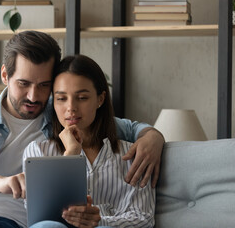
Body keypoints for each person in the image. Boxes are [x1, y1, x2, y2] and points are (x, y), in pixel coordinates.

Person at [0, 31, 163, 228]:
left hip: (10, 222)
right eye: (23, 83)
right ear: (5, 75)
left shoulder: (62, 112)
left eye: (44, 85)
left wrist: (153, 136)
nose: (34, 96)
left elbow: (124, 127)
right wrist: (2, 183)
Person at [23, 54, 156, 228]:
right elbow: (40, 218)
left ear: (100, 99)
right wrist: (71, 153)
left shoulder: (132, 155)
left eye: (82, 97)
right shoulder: (37, 153)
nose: (71, 107)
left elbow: (143, 217)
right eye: (61, 98)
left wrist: (98, 222)